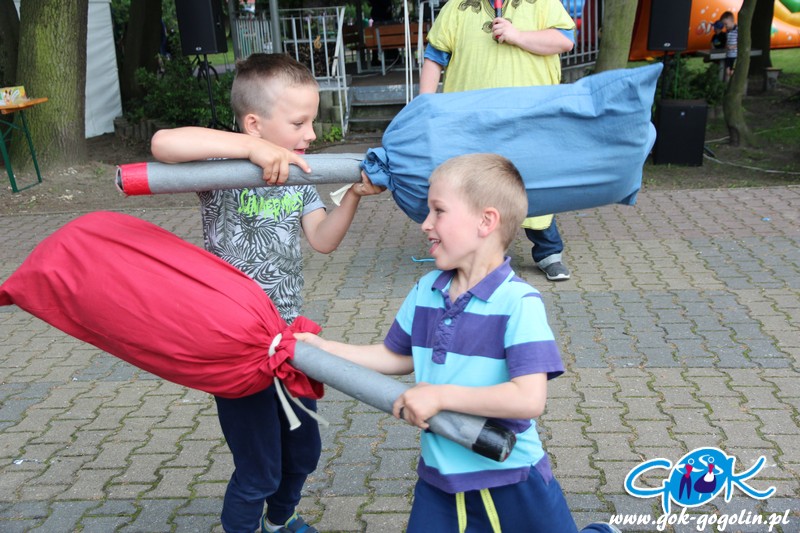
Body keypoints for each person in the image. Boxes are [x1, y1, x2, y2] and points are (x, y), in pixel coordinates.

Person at [296, 153, 620, 532]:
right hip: (439, 480)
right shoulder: (426, 290)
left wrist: (440, 396)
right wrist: (324, 350)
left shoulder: (519, 303)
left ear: (486, 221)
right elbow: (395, 356)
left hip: (511, 478)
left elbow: (528, 399)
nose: (425, 223)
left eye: (438, 211)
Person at [151, 53, 384, 533]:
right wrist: (250, 149)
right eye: (299, 122)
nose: (311, 134)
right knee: (259, 468)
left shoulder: (300, 174)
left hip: (288, 337)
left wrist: (353, 197)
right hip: (235, 344)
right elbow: (163, 143)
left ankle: (280, 519)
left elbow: (322, 239)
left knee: (303, 451)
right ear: (255, 124)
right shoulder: (221, 167)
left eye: (312, 121)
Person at [418, 0, 576, 282]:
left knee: (531, 181)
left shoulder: (543, 3)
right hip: (473, 120)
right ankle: (474, 255)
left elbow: (565, 40)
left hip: (528, 117)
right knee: (474, 188)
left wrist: (518, 36)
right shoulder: (456, 7)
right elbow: (434, 56)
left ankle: (548, 252)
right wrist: (425, 106)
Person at [716, 11, 738, 80]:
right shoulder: (727, 31)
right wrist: (726, 46)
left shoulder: (737, 30)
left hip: (735, 55)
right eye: (724, 25)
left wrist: (733, 46)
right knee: (727, 72)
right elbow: (728, 41)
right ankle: (727, 83)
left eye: (726, 24)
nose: (725, 26)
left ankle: (733, 83)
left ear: (731, 21)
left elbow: (740, 42)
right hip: (728, 55)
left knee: (732, 72)